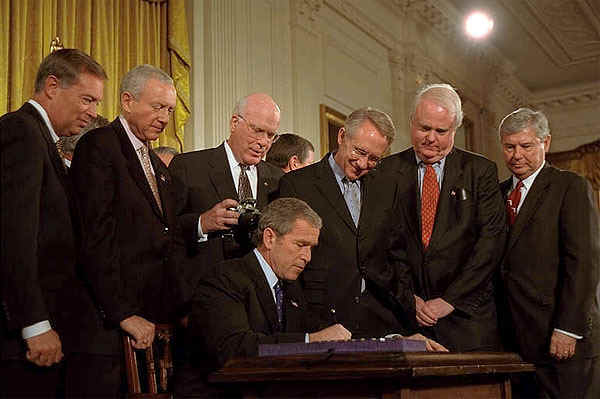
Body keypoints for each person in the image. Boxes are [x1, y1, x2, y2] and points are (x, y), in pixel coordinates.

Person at [69, 64, 184, 397]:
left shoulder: (154, 162)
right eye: (157, 106)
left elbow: (165, 233)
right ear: (127, 101)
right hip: (107, 327)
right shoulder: (99, 146)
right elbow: (95, 237)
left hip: (150, 323)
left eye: (170, 110)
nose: (164, 117)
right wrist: (123, 314)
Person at [0, 49, 106, 398]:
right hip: (23, 338)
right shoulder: (21, 132)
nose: (93, 112)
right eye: (87, 99)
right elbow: (14, 237)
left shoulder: (43, 140)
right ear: (52, 86)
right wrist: (34, 324)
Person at [176, 198, 352, 397]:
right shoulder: (225, 279)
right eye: (301, 245)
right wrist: (309, 341)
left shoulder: (291, 288)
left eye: (311, 248)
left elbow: (306, 333)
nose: (307, 257)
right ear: (269, 238)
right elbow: (233, 349)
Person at [378, 83, 506, 352]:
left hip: (467, 320)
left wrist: (450, 300)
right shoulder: (387, 172)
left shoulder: (480, 171)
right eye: (424, 128)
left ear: (455, 130)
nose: (431, 138)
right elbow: (381, 245)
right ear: (412, 122)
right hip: (407, 319)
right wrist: (409, 299)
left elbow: (490, 245)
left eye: (441, 131)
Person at [279, 108, 424, 340]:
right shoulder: (298, 184)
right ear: (342, 136)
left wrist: (404, 306)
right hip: (321, 318)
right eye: (360, 151)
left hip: (380, 319)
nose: (363, 163)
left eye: (374, 159)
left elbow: (396, 253)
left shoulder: (387, 188)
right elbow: (286, 257)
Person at [497, 108, 600, 399]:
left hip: (562, 341)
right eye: (509, 147)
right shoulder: (496, 193)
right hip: (514, 342)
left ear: (546, 143)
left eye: (526, 146)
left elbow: (584, 263)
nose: (517, 155)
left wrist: (568, 328)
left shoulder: (571, 187)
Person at [169, 93, 284, 302]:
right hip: (203, 298)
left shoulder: (278, 180)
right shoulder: (189, 166)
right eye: (257, 130)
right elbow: (165, 232)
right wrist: (201, 223)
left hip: (259, 302)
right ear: (234, 123)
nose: (263, 142)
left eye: (270, 135)